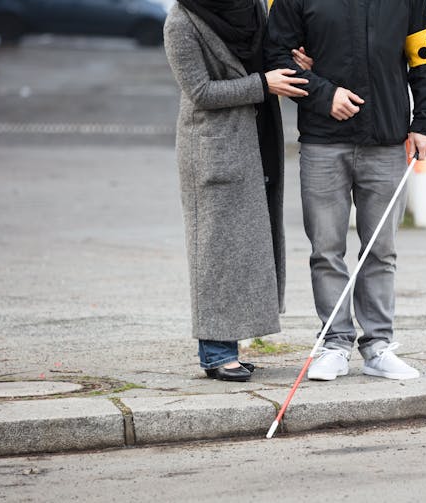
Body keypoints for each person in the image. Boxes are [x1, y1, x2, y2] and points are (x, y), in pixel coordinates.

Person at [264, 0, 426, 380]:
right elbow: (277, 56)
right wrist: (324, 95)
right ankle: (335, 343)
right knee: (326, 249)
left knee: (381, 249)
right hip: (323, 142)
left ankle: (378, 346)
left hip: (387, 141)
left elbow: (425, 60)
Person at [164, 0, 313, 382]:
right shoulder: (181, 20)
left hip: (257, 138)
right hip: (214, 148)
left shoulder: (252, 8)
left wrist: (295, 66)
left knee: (248, 248)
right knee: (215, 251)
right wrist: (263, 84)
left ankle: (230, 347)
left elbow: (267, 60)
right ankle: (216, 353)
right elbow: (200, 91)